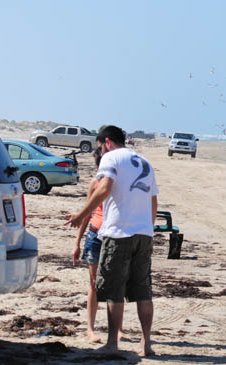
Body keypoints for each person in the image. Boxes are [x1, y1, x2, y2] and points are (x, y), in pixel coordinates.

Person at [65, 125, 159, 356]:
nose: (101, 151)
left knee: (114, 290)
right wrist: (147, 227)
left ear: (107, 142)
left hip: (118, 234)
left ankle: (111, 345)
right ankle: (146, 344)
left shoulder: (111, 158)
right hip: (144, 234)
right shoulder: (144, 162)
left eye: (100, 147)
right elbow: (153, 201)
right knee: (143, 291)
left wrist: (80, 213)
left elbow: (104, 188)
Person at [72, 148, 124, 344]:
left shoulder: (119, 183)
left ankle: (118, 328)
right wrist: (77, 243)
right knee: (94, 283)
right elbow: (87, 212)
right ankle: (90, 329)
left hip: (115, 236)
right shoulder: (95, 183)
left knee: (116, 284)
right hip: (95, 235)